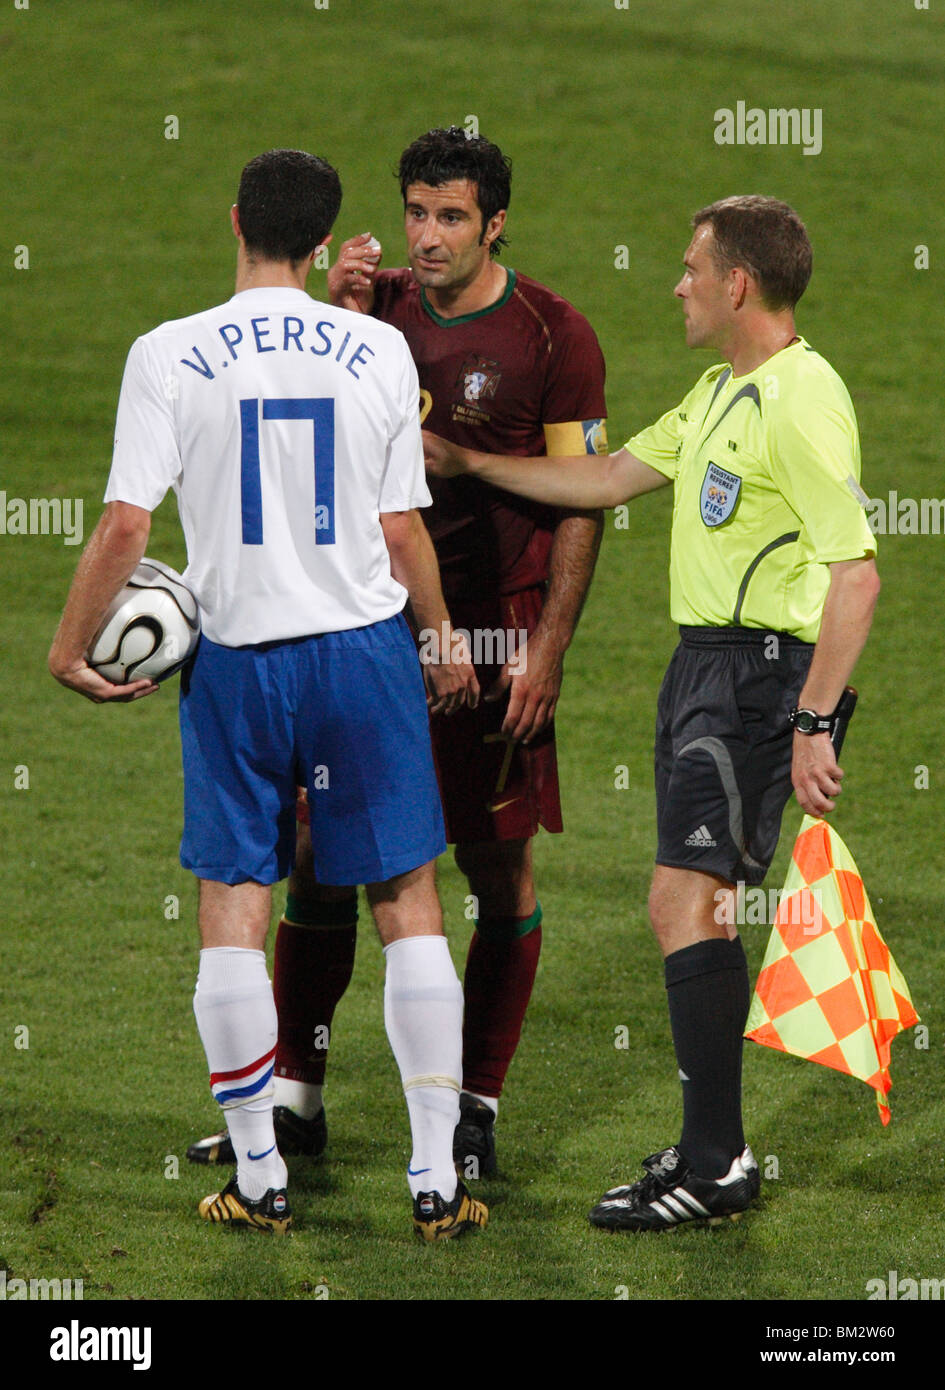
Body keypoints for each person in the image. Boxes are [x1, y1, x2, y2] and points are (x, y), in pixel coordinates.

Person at [48, 148, 488, 1243]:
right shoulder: (379, 347)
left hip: (238, 662)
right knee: (408, 902)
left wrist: (66, 647)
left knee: (236, 908)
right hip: (361, 656)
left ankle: (260, 1176)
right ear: (326, 242)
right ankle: (434, 1181)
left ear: (235, 219)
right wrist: (440, 640)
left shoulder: (168, 352)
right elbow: (398, 528)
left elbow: (126, 529)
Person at [424, 195, 880, 1230]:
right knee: (689, 902)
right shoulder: (722, 390)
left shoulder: (802, 398)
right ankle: (713, 1146)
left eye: (689, 268)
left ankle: (716, 1162)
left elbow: (856, 575)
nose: (674, 283)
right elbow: (607, 475)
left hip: (761, 676)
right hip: (704, 671)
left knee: (688, 902)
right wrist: (472, 463)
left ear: (738, 285)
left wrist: (813, 721)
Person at [186, 127, 608, 1179]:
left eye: (452, 217)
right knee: (322, 861)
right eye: (416, 212)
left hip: (497, 632)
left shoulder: (555, 335)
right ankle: (295, 1100)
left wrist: (547, 649)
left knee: (495, 864)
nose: (427, 236)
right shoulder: (370, 319)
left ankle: (473, 1108)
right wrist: (337, 309)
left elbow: (588, 507)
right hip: (370, 633)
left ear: (495, 222)